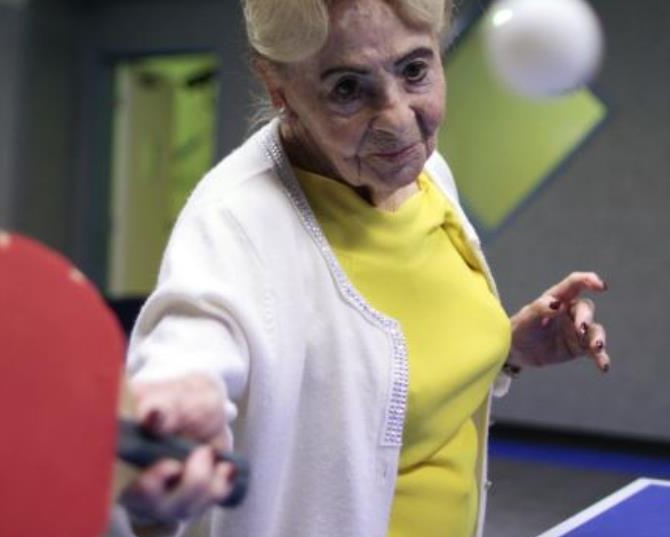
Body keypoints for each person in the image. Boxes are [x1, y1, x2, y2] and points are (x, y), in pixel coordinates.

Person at [113, 0, 610, 536]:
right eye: (347, 88)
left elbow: (378, 386)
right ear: (279, 88)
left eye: (415, 69)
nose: (397, 119)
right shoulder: (234, 223)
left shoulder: (424, 173)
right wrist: (173, 418)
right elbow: (194, 342)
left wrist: (505, 350)